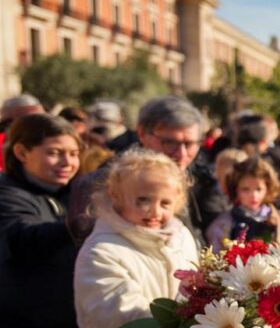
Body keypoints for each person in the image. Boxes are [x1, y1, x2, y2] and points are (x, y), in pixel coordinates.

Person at [74, 150, 199, 328]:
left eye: (165, 202)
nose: (154, 211)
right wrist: (187, 323)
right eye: (143, 200)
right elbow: (116, 315)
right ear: (115, 194)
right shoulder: (102, 251)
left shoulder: (180, 237)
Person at [68, 96, 227, 246]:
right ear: (142, 133)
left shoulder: (201, 178)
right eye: (169, 142)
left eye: (190, 144)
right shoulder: (102, 184)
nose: (182, 154)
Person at [0, 114, 82, 328]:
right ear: (22, 152)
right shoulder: (7, 193)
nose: (67, 163)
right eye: (55, 153)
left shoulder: (74, 193)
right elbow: (23, 237)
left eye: (73, 153)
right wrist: (85, 225)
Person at [206, 157, 280, 249]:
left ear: (268, 189)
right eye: (245, 189)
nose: (254, 195)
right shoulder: (224, 223)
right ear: (235, 190)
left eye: (259, 189)